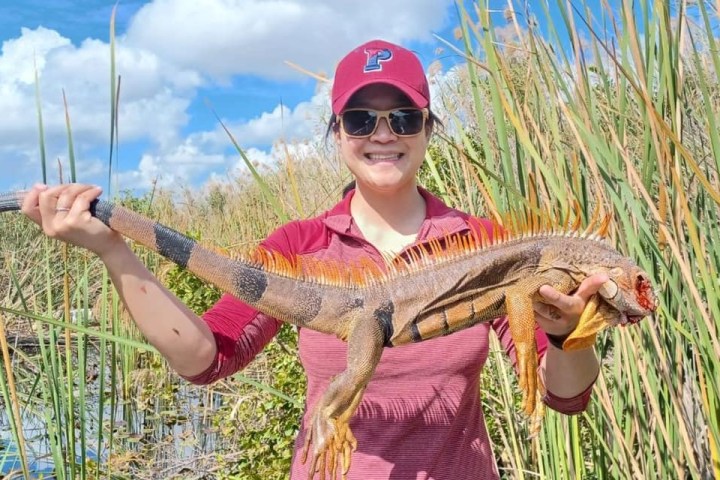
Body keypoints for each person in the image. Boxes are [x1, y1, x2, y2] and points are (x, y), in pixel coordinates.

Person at [21, 39, 605, 479]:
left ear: (429, 130)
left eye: (403, 118)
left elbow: (565, 397)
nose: (383, 134)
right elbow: (208, 358)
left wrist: (564, 335)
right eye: (360, 119)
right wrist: (113, 249)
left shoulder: (483, 242)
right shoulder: (299, 246)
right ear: (336, 132)